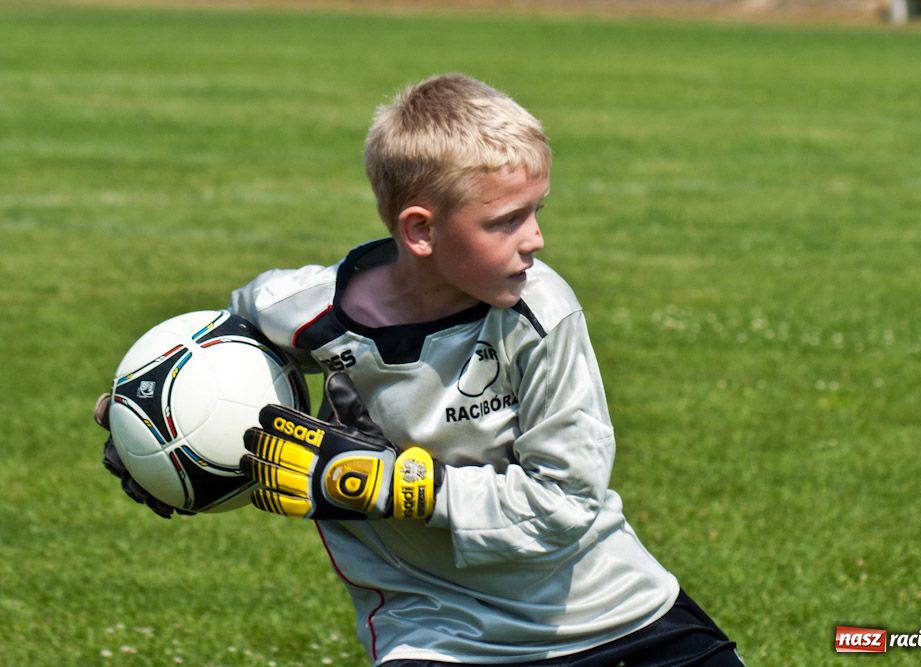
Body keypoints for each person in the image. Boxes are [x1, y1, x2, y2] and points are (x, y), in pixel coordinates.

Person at [98, 73, 743, 666]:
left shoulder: (540, 314)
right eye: (506, 220)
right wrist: (146, 433)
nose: (536, 239)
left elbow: (566, 504)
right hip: (437, 630)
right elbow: (201, 367)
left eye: (537, 210)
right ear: (421, 232)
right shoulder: (298, 310)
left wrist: (384, 484)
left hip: (608, 611)